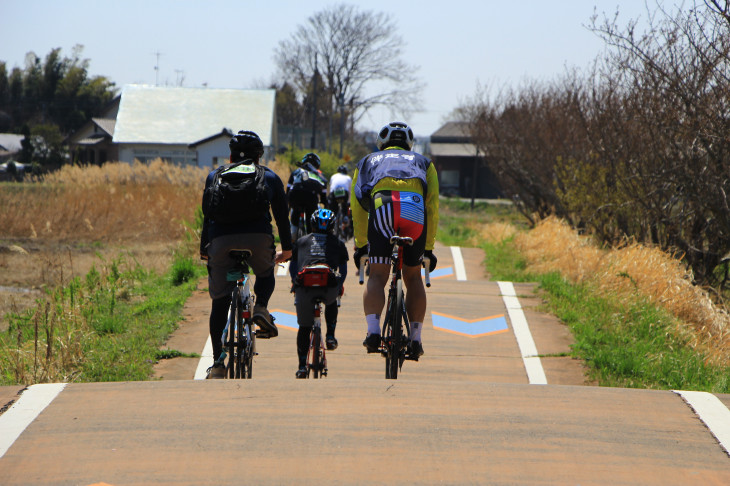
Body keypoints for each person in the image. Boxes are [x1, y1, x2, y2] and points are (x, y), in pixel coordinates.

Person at [200, 130, 292, 379]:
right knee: (264, 271)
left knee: (219, 302)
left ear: (230, 156)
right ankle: (261, 306)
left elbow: (208, 215)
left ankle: (219, 362)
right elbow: (282, 217)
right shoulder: (269, 177)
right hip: (258, 239)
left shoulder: (214, 175)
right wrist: (288, 248)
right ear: (259, 157)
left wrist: (204, 250)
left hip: (220, 241)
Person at [350, 122, 439, 359]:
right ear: (409, 144)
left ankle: (372, 332)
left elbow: (357, 206)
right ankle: (416, 338)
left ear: (381, 143)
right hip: (414, 209)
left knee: (378, 275)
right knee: (412, 277)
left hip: (382, 206)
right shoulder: (424, 162)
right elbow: (432, 207)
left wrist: (361, 246)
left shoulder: (368, 161)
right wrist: (428, 249)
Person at [289, 208, 349, 378]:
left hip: (305, 289)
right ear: (332, 226)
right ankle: (330, 335)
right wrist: (339, 286)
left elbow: (293, 268)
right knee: (332, 301)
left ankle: (301, 366)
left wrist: (295, 283)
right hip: (328, 288)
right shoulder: (338, 244)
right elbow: (342, 272)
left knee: (304, 328)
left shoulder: (301, 242)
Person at [286, 152, 328, 241]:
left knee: (295, 213)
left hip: (295, 196)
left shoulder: (296, 172)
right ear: (317, 165)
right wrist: (325, 204)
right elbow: (323, 196)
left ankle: (292, 236)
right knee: (311, 219)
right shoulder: (319, 174)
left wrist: (287, 204)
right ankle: (310, 238)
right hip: (311, 198)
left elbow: (288, 189)